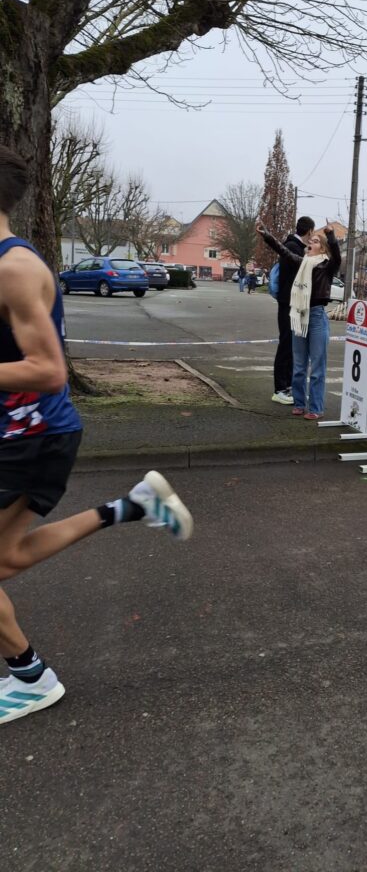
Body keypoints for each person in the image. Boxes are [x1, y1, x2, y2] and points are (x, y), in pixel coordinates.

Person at [0, 146, 193, 726]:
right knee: (4, 557)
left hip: (34, 437)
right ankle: (132, 507)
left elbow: (49, 369)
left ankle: (31, 678)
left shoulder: (14, 268)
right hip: (15, 434)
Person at [258, 222, 341, 419]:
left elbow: (337, 256)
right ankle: (299, 402)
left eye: (314, 241)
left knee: (317, 366)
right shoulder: (301, 262)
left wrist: (331, 236)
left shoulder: (327, 266)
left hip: (317, 317)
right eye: (309, 241)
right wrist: (267, 235)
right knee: (299, 365)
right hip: (299, 315)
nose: (309, 243)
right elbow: (284, 251)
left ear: (322, 247)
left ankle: (315, 408)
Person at [271, 216, 315, 405]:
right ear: (310, 231)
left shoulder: (293, 246)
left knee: (290, 345)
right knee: (286, 344)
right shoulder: (294, 247)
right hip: (289, 302)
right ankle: (280, 388)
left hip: (289, 302)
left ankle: (287, 386)